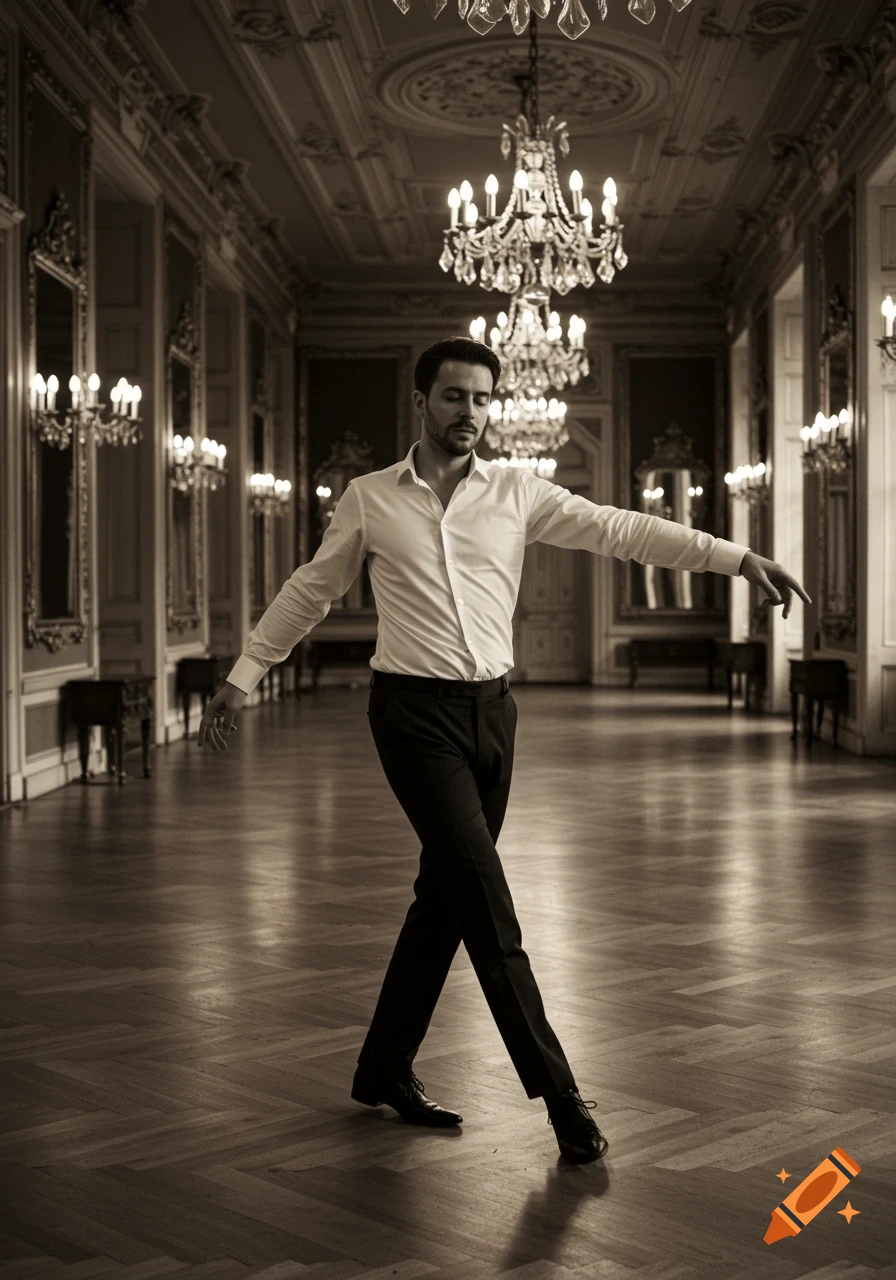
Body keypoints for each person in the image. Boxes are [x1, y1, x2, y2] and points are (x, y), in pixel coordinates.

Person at [197, 337, 811, 1164]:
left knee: (445, 900)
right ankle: (561, 1097)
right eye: (454, 397)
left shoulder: (517, 492)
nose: (471, 414)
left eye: (482, 399)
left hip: (494, 717)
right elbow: (314, 586)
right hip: (411, 716)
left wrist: (737, 559)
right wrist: (243, 674)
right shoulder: (371, 499)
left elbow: (622, 530)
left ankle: (383, 1067)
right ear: (422, 403)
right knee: (487, 903)